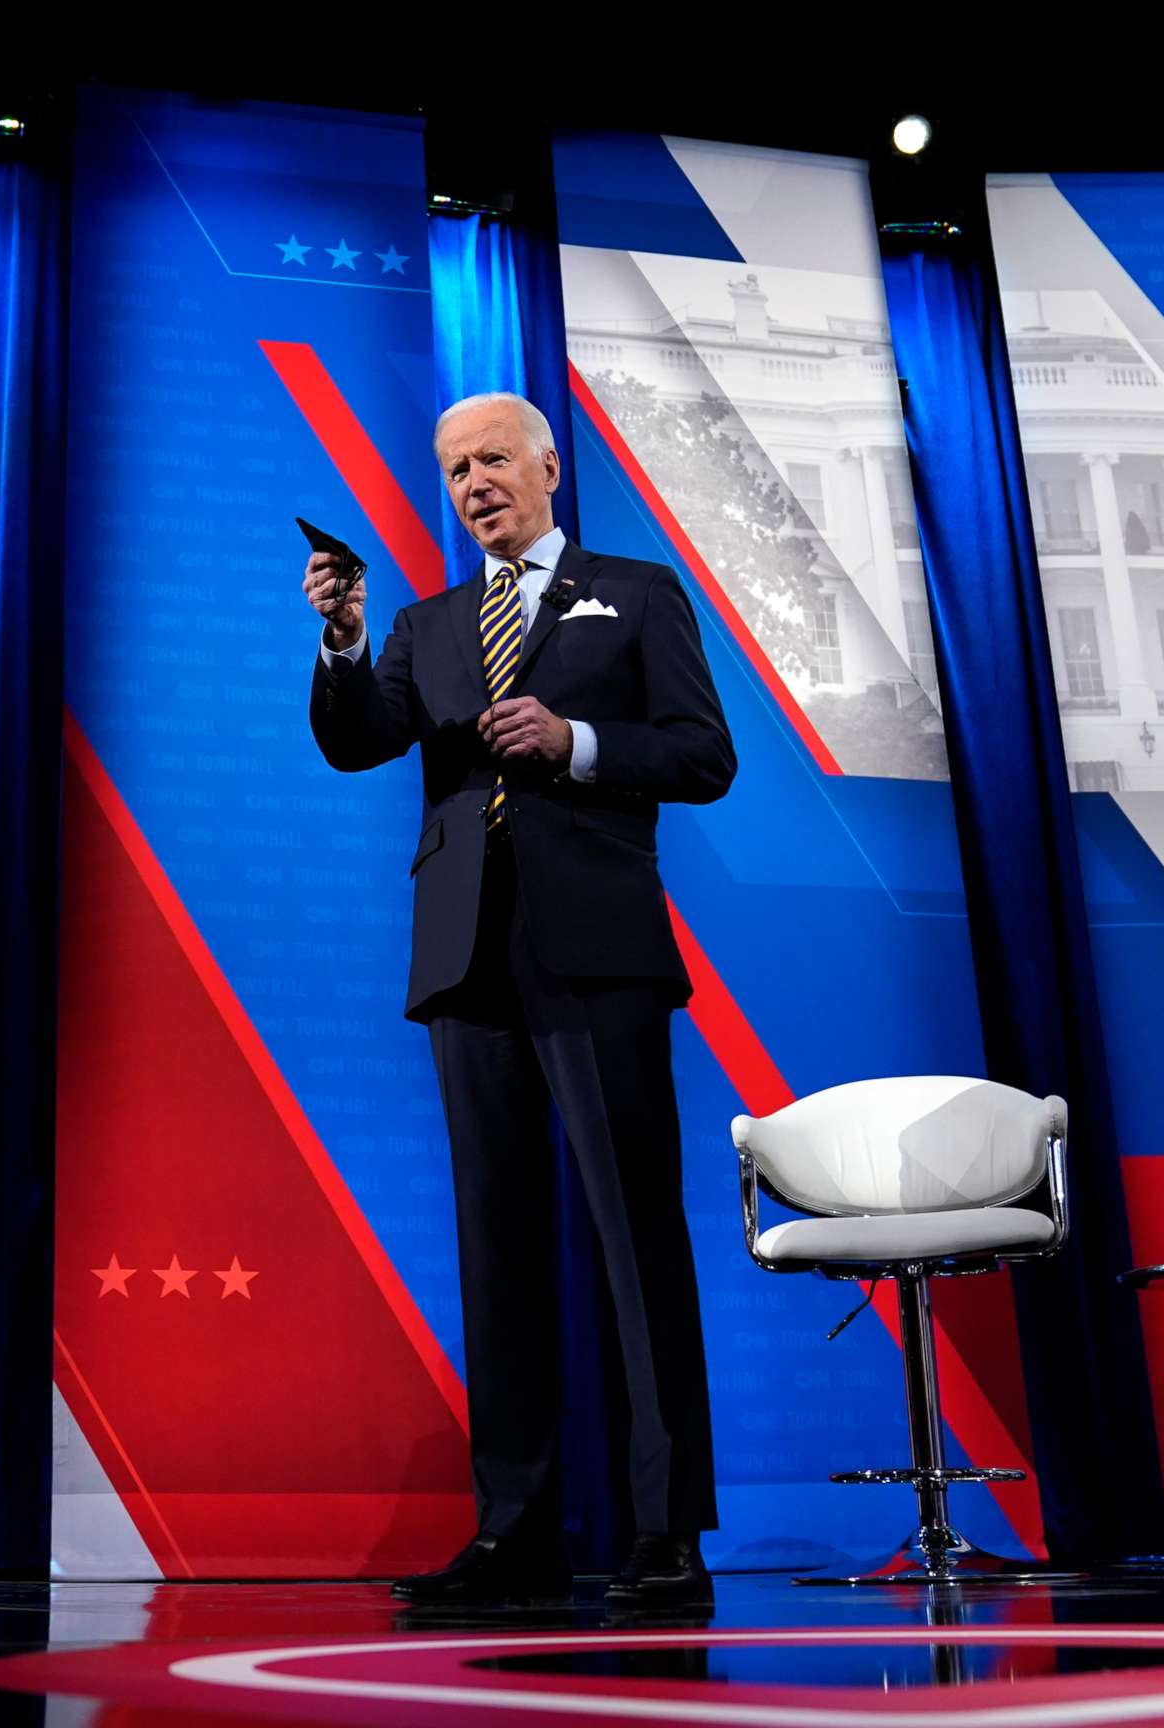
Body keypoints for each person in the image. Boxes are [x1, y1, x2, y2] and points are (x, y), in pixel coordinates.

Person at [304, 391, 736, 1605]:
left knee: (634, 1234)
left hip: (594, 945)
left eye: (493, 458)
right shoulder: (427, 624)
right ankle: (515, 1525)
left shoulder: (637, 591)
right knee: (496, 1247)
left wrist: (577, 740)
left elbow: (704, 756)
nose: (474, 481)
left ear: (551, 464)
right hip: (466, 954)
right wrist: (340, 640)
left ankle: (665, 1530)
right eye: (453, 469)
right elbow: (357, 741)